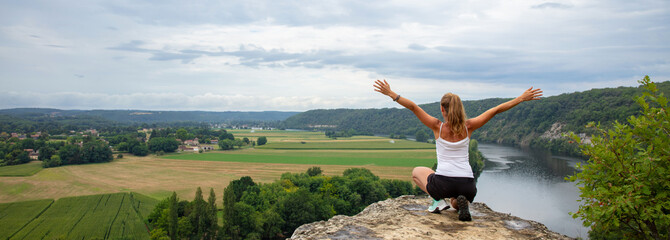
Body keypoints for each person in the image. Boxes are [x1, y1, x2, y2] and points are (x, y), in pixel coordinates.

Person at [373, 79, 542, 221]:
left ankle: (438, 200)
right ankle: (460, 204)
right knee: (457, 200)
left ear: (442, 109)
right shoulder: (469, 127)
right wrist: (520, 98)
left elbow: (414, 108)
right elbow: (496, 110)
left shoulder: (437, 126)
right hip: (467, 184)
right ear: (460, 108)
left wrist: (391, 94)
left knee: (417, 171)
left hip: (443, 184)